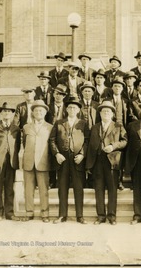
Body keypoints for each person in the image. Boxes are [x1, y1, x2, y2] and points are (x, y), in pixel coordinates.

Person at [85, 101, 127, 225]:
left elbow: (124, 141)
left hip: (112, 162)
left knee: (112, 189)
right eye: (103, 111)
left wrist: (113, 146)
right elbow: (90, 146)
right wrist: (89, 165)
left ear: (112, 113)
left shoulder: (118, 126)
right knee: (99, 189)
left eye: (108, 111)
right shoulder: (94, 127)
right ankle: (101, 216)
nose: (106, 113)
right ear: (100, 113)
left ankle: (112, 216)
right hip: (97, 162)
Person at [50, 96, 89, 224]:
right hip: (63, 159)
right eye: (70, 107)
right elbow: (52, 140)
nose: (72, 109)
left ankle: (80, 215)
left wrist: (82, 154)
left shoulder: (83, 124)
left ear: (78, 110)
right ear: (66, 109)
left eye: (75, 107)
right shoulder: (59, 123)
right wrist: (56, 154)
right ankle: (62, 215)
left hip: (77, 159)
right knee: (62, 187)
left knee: (78, 187)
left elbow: (87, 141)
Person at [0, 102, 21, 221]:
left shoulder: (16, 128)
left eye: (9, 111)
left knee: (10, 188)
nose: (7, 113)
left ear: (12, 114)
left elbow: (18, 145)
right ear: (1, 113)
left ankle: (9, 213)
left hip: (11, 161)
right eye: (4, 111)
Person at [22, 100, 53, 223]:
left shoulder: (50, 127)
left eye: (41, 110)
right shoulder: (26, 127)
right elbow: (24, 143)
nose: (38, 112)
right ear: (33, 113)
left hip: (43, 162)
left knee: (43, 189)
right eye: (36, 110)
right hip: (29, 162)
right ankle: (29, 212)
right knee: (28, 189)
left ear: (45, 112)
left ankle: (45, 213)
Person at [103, 78, 132, 190]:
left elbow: (129, 117)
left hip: (121, 130)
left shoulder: (125, 101)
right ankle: (108, 180)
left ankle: (119, 181)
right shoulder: (107, 100)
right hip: (109, 129)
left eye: (119, 86)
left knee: (120, 156)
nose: (117, 88)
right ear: (112, 88)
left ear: (122, 88)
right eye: (115, 86)